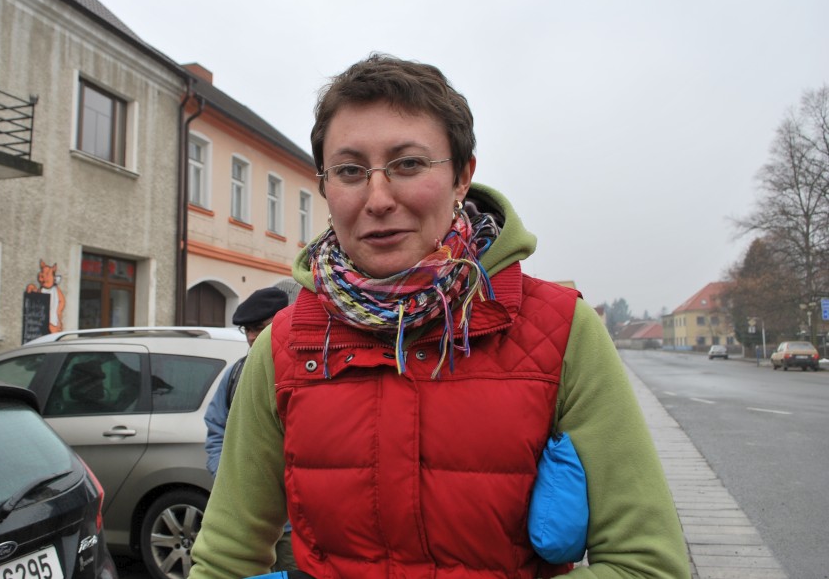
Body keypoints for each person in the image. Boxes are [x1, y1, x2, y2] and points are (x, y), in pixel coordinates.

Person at [190, 54, 690, 578]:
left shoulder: (562, 331)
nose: (378, 199)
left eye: (408, 164)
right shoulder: (287, 346)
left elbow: (646, 565)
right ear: (326, 186)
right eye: (350, 171)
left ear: (462, 177)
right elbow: (224, 561)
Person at [203, 286, 296, 572]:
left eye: (260, 327)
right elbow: (216, 431)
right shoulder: (235, 374)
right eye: (248, 330)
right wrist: (230, 477)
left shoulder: (308, 371)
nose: (253, 336)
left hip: (297, 527)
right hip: (250, 524)